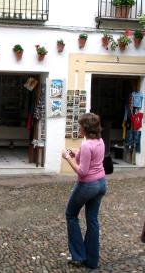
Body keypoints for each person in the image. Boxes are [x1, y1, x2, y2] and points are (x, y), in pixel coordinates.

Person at [61, 113, 107, 269]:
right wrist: (76, 152)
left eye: (80, 125)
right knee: (92, 220)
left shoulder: (87, 145)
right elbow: (91, 159)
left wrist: (68, 158)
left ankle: (79, 256)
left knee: (71, 215)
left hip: (88, 185)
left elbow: (82, 171)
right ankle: (92, 261)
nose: (78, 127)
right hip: (101, 183)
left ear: (86, 128)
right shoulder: (99, 141)